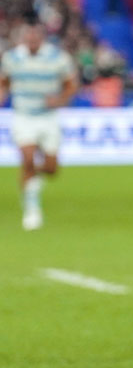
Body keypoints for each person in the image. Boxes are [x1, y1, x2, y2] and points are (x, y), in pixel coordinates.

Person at [0, 17, 78, 231]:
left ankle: (32, 182)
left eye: (36, 35)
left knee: (52, 169)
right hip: (23, 114)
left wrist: (60, 99)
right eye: (29, 35)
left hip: (48, 116)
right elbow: (4, 81)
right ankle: (31, 208)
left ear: (41, 37)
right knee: (27, 158)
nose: (32, 39)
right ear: (24, 37)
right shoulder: (12, 58)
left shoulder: (57, 57)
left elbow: (71, 84)